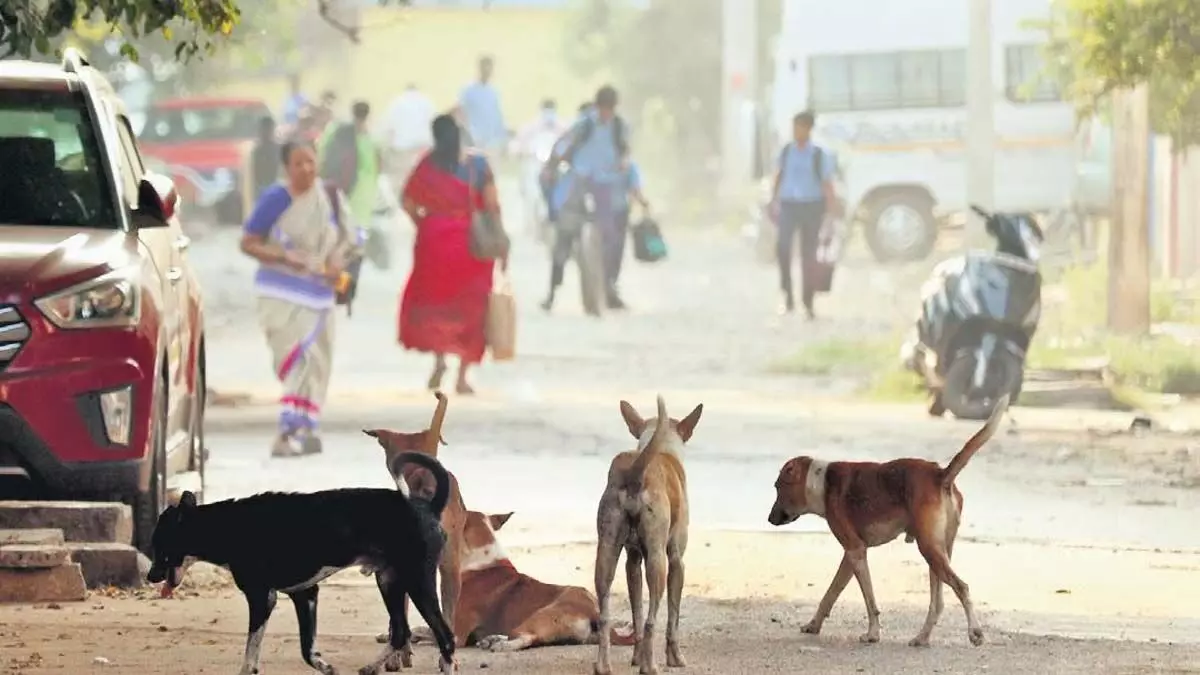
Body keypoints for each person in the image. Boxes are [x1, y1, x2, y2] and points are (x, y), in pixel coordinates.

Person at [239, 140, 356, 457]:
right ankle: (287, 430)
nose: (305, 169)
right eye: (297, 163)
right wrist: (283, 257)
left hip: (320, 297)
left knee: (317, 363)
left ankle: (305, 428)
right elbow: (248, 242)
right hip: (281, 295)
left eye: (310, 161)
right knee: (299, 360)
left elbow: (349, 241)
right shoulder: (276, 198)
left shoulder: (329, 198)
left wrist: (336, 264)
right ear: (286, 168)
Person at [398, 114, 503, 395]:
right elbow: (492, 205)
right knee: (472, 307)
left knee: (437, 305)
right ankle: (463, 376)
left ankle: (440, 359)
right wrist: (501, 241)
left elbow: (407, 201)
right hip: (471, 246)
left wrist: (424, 223)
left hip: (433, 243)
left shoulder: (426, 164)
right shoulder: (478, 166)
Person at [540, 85, 631, 313]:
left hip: (607, 187)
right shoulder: (585, 125)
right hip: (579, 184)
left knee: (614, 238)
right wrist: (552, 166)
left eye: (610, 110)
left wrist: (623, 163)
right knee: (564, 236)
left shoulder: (620, 127)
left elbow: (626, 152)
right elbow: (562, 145)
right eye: (603, 109)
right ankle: (552, 293)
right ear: (597, 106)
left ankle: (610, 287)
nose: (606, 114)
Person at [769, 110, 838, 319]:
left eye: (799, 127)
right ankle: (787, 295)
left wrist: (831, 213)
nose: (796, 132)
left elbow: (827, 185)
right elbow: (779, 176)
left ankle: (808, 302)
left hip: (811, 206)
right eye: (794, 127)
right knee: (783, 249)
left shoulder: (819, 155)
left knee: (809, 256)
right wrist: (773, 200)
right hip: (789, 205)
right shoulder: (786, 151)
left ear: (808, 129)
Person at [319, 100, 381, 229]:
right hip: (364, 187)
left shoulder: (336, 130)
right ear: (368, 115)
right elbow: (377, 165)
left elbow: (322, 151)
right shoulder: (372, 138)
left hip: (341, 183)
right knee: (359, 226)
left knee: (341, 221)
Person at [382, 83, 435, 189]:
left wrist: (389, 145)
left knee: (403, 177)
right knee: (421, 176)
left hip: (403, 147)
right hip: (423, 146)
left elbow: (389, 126)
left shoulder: (397, 102)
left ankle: (403, 200)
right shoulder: (427, 101)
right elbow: (434, 123)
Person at [458, 56, 508, 157]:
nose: (487, 71)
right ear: (480, 68)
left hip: (491, 143)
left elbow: (497, 116)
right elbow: (461, 112)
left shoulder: (493, 92)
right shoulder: (469, 90)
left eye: (490, 68)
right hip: (473, 140)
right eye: (485, 68)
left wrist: (503, 139)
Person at [250, 116, 280, 199]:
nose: (265, 133)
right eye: (264, 130)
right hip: (260, 190)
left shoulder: (279, 150)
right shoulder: (255, 151)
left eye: (268, 129)